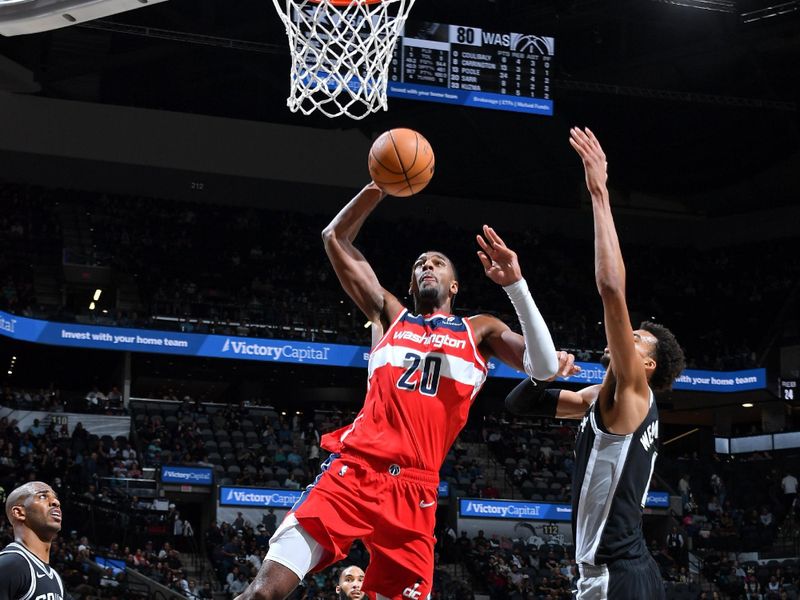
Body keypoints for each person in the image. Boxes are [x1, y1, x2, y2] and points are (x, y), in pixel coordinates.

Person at [235, 180, 577, 600]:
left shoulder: (479, 329)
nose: (427, 265)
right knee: (263, 592)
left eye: (437, 262)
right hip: (355, 473)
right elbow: (334, 238)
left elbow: (541, 366)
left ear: (454, 286)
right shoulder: (389, 315)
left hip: (416, 492)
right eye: (419, 264)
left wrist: (515, 285)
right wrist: (379, 186)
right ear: (412, 285)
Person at [504, 128, 686, 600]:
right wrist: (540, 375)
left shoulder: (632, 394)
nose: (627, 337)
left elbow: (610, 289)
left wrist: (599, 192)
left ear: (647, 364)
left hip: (615, 574)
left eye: (638, 338)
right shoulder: (598, 399)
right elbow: (521, 405)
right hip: (630, 572)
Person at [0, 481, 66, 600]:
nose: (56, 502)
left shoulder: (56, 579)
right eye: (42, 496)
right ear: (19, 512)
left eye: (55, 498)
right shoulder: (10, 565)